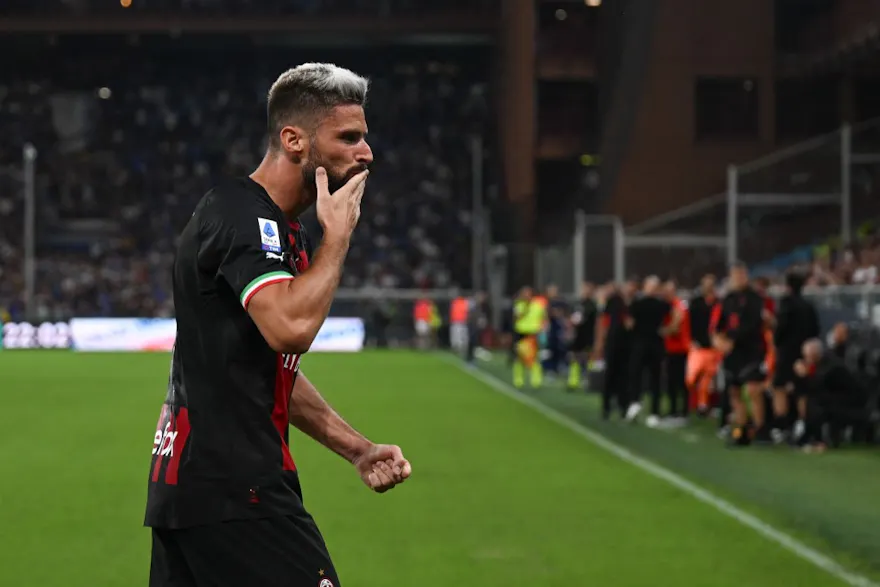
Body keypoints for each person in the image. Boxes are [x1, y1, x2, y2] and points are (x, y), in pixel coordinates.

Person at [145, 63, 412, 587]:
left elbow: (273, 366)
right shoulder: (242, 214)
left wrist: (356, 448)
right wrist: (338, 239)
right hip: (237, 491)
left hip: (197, 489)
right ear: (294, 140)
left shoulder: (282, 231)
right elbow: (291, 329)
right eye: (349, 137)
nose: (366, 152)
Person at [712, 262, 767, 446]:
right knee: (734, 391)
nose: (738, 279)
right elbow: (719, 325)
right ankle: (741, 429)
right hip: (732, 353)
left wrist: (731, 340)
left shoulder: (754, 298)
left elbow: (753, 325)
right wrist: (720, 340)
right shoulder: (728, 299)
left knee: (753, 390)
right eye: (735, 276)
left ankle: (760, 430)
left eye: (741, 275)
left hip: (750, 350)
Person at [794, 338, 870, 451]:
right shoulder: (822, 364)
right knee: (813, 402)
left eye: (809, 356)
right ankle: (809, 438)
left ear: (816, 354)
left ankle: (815, 439)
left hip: (851, 401)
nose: (806, 360)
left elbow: (818, 386)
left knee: (817, 404)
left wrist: (805, 375)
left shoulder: (831, 366)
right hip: (836, 398)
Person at [771, 271, 820, 442]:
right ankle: (802, 424)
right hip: (804, 352)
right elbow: (816, 329)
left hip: (786, 352)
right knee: (801, 390)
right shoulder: (808, 305)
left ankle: (782, 425)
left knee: (779, 387)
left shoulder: (786, 304)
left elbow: (780, 328)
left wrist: (776, 341)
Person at [627, 276, 679, 426]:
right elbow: (677, 314)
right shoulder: (661, 304)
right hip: (655, 343)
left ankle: (636, 403)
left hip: (642, 344)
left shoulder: (638, 303)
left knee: (639, 375)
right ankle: (651, 411)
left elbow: (629, 323)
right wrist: (668, 329)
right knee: (654, 379)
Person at [594, 280, 636, 419]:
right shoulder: (614, 302)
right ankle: (608, 407)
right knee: (611, 375)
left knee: (623, 376)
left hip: (626, 344)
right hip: (614, 343)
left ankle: (621, 406)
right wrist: (600, 342)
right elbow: (604, 321)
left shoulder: (632, 303)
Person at [686, 274, 720, 415]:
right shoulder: (696, 302)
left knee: (709, 379)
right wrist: (691, 339)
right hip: (698, 345)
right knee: (691, 379)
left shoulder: (719, 302)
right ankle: (694, 403)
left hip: (714, 346)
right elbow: (689, 323)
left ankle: (704, 405)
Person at [662, 279, 690, 426]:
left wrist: (661, 331)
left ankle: (682, 412)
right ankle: (675, 411)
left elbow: (674, 328)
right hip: (672, 349)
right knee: (672, 381)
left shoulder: (679, 305)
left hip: (679, 349)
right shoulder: (671, 306)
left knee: (679, 381)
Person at [512, 286, 545, 388]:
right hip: (521, 333)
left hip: (532, 334)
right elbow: (517, 317)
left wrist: (541, 328)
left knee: (534, 357)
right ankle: (518, 380)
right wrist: (526, 307)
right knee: (519, 357)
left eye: (528, 293)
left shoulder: (538, 305)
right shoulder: (519, 305)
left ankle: (536, 380)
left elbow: (543, 317)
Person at [567, 281, 597, 391]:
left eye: (586, 289)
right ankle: (573, 382)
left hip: (588, 334)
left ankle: (589, 381)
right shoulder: (577, 304)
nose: (584, 291)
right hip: (578, 335)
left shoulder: (592, 305)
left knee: (588, 358)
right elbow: (572, 317)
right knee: (575, 357)